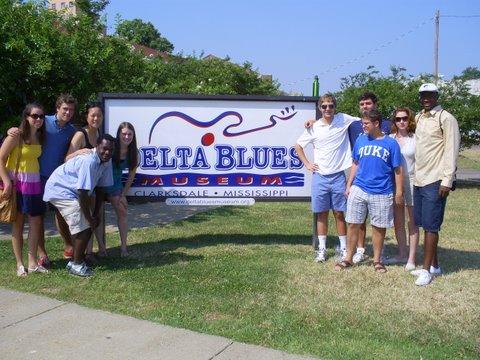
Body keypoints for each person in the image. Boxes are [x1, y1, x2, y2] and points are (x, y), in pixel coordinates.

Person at [305, 91, 392, 264]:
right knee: (357, 217)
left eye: (368, 103)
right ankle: (359, 249)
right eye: (362, 104)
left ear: (375, 104)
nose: (365, 107)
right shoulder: (354, 124)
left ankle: (377, 254)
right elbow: (329, 121)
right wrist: (315, 122)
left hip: (380, 179)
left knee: (376, 219)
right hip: (358, 176)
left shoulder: (387, 124)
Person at [8, 94, 78, 268]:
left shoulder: (72, 131)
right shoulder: (43, 120)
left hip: (57, 180)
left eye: (71, 110)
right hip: (35, 178)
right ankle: (41, 254)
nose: (67, 112)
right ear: (57, 108)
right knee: (34, 219)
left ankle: (67, 247)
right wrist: (12, 130)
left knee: (55, 215)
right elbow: (24, 131)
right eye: (64, 109)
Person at [335, 110, 403, 273]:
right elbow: (355, 164)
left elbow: (398, 169)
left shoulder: (391, 143)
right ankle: (348, 259)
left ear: (376, 123)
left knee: (378, 227)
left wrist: (399, 191)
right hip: (359, 188)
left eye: (365, 123)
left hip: (382, 191)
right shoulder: (360, 140)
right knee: (353, 223)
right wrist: (349, 185)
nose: (363, 126)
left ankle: (377, 261)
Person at [295, 93, 359, 262]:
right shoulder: (314, 128)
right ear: (320, 108)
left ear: (335, 107)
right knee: (322, 213)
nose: (328, 109)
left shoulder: (343, 119)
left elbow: (363, 120)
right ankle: (322, 249)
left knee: (339, 213)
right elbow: (298, 146)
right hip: (320, 176)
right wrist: (308, 164)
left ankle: (344, 248)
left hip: (338, 175)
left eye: (331, 105)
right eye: (324, 106)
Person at [43, 134, 114, 277]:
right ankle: (76, 264)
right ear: (97, 147)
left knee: (86, 225)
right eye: (104, 149)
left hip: (73, 192)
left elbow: (101, 188)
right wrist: (89, 217)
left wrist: (96, 214)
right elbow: (83, 192)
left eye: (111, 150)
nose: (107, 152)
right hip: (60, 190)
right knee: (86, 225)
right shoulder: (88, 161)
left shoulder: (107, 161)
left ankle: (75, 261)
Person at [411, 83, 460, 286]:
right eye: (423, 95)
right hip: (419, 178)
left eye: (430, 95)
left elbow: (451, 149)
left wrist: (447, 180)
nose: (426, 98)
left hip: (436, 179)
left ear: (437, 96)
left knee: (432, 227)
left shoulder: (446, 118)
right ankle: (435, 266)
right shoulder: (419, 117)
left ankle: (425, 271)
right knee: (423, 224)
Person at [0, 103, 48, 276]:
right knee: (18, 225)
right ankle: (20, 264)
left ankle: (33, 262)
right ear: (26, 117)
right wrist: (6, 183)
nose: (38, 119)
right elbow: (0, 158)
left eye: (41, 116)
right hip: (18, 185)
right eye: (34, 116)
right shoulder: (16, 135)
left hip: (34, 185)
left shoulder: (41, 136)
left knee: (35, 223)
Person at [65, 101, 107, 263]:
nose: (96, 118)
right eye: (93, 115)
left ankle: (95, 249)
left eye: (99, 115)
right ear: (87, 116)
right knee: (86, 216)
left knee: (96, 214)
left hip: (94, 184)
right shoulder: (81, 134)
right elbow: (66, 158)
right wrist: (80, 152)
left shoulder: (99, 136)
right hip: (80, 185)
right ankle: (85, 252)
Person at [383, 107, 419, 271]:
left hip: (411, 179)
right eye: (398, 119)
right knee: (398, 221)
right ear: (394, 122)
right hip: (394, 181)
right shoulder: (389, 139)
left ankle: (411, 258)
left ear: (409, 119)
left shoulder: (415, 139)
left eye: (404, 118)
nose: (401, 122)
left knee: (412, 221)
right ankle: (402, 253)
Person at [100, 122, 139, 257]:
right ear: (119, 134)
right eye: (124, 134)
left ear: (133, 136)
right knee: (97, 214)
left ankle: (123, 248)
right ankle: (101, 249)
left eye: (129, 134)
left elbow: (131, 176)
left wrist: (123, 194)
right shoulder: (112, 146)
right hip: (99, 183)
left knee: (123, 210)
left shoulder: (134, 153)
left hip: (115, 185)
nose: (126, 137)